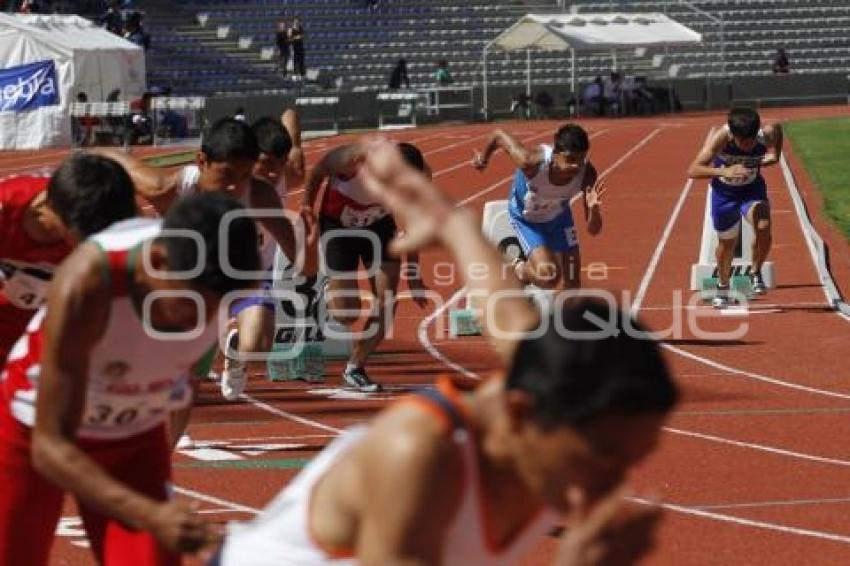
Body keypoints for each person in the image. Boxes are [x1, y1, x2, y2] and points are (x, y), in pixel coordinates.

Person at [214, 139, 678, 565]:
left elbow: (505, 308)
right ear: (519, 414)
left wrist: (453, 225)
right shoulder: (418, 454)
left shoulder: (543, 389)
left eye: (631, 461)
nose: (615, 484)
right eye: (603, 455)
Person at [0, 193, 259, 565]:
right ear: (157, 262)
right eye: (190, 304)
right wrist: (148, 512)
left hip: (132, 435)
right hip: (34, 431)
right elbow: (49, 447)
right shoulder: (88, 284)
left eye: (219, 306)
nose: (200, 322)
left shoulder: (213, 279)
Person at [96, 118, 299, 400]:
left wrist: (309, 251)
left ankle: (235, 356)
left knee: (259, 344)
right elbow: (125, 166)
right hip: (192, 283)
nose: (234, 188)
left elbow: (300, 258)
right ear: (202, 162)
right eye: (227, 175)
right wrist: (90, 158)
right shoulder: (171, 188)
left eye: (245, 175)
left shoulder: (262, 194)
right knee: (184, 377)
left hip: (245, 277)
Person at [301, 142, 429, 392]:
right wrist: (307, 209)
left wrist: (413, 274)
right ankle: (326, 287)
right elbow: (318, 171)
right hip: (338, 226)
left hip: (379, 226)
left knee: (388, 300)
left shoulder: (420, 177)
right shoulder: (353, 158)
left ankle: (354, 368)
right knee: (347, 314)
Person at [0, 154, 137, 368]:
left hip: (47, 331)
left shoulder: (102, 213)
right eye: (78, 230)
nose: (85, 242)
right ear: (45, 206)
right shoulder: (6, 208)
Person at [216, 110, 312, 400]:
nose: (273, 173)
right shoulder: (225, 182)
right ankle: (225, 333)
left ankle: (235, 358)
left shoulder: (287, 174)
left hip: (258, 272)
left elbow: (292, 124)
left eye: (279, 165)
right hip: (216, 268)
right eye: (266, 164)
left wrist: (291, 123)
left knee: (262, 345)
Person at [472, 124, 605, 290]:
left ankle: (561, 315)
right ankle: (520, 269)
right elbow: (499, 135)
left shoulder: (587, 174)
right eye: (570, 159)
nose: (576, 166)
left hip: (559, 217)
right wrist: (483, 158)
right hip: (528, 220)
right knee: (549, 277)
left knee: (573, 284)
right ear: (556, 154)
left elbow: (593, 230)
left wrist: (594, 209)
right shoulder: (530, 162)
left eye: (581, 159)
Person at [687, 107, 783, 308]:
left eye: (751, 142)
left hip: (752, 190)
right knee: (726, 246)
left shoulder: (765, 134)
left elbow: (777, 128)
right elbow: (693, 170)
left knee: (764, 225)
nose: (748, 147)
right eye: (743, 142)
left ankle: (755, 272)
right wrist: (724, 170)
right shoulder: (721, 138)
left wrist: (776, 155)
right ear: (733, 135)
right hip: (724, 195)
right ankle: (722, 287)